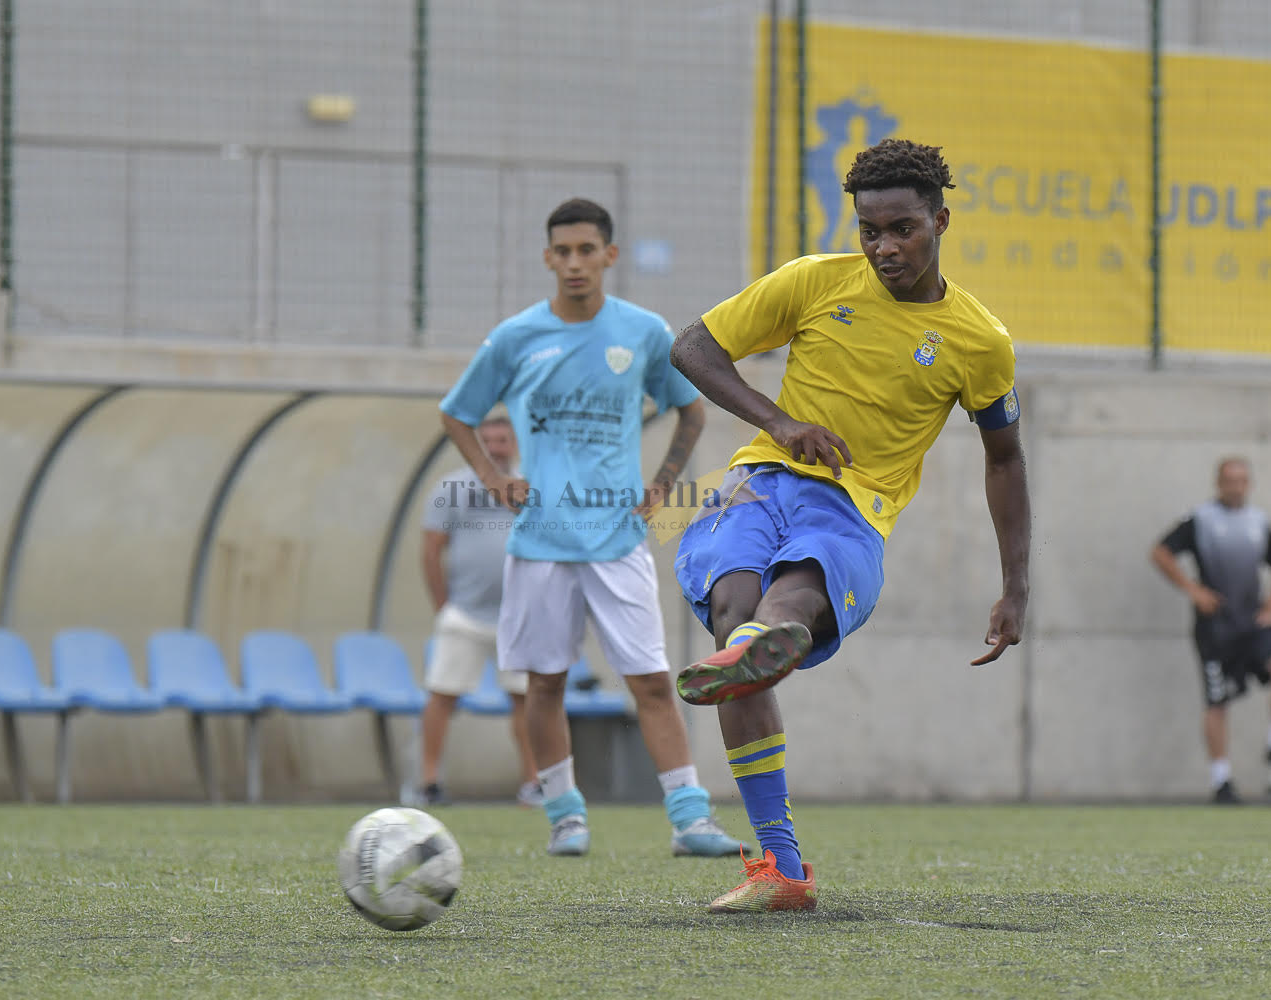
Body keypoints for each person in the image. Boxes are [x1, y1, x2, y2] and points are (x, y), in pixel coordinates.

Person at [667, 138, 1030, 912]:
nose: (884, 247)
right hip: (761, 482)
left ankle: (761, 657)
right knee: (735, 612)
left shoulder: (979, 341)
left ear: (941, 221)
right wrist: (779, 420)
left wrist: (1016, 587)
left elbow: (1005, 459)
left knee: (785, 605)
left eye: (902, 229)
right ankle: (782, 869)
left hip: (853, 508)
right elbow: (693, 346)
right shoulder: (814, 281)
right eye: (869, 231)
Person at [438, 197, 744, 859]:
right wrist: (494, 479)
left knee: (652, 680)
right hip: (540, 543)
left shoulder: (643, 332)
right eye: (563, 252)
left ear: (610, 255)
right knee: (545, 683)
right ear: (548, 258)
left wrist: (663, 483)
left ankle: (690, 819)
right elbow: (456, 413)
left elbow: (691, 412)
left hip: (616, 541)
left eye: (587, 250)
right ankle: (564, 815)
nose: (575, 263)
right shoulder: (516, 337)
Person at [1150, 456, 1271, 804]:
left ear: (1249, 484)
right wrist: (1193, 591)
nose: (1236, 487)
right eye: (1230, 480)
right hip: (1216, 628)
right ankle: (1221, 781)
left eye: (1242, 480)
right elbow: (1160, 553)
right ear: (1218, 483)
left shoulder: (1258, 521)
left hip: (1252, 622)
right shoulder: (1200, 520)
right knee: (1217, 701)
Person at [414, 414, 542, 808]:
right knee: (442, 696)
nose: (495, 448)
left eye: (502, 440)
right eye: (487, 441)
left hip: (518, 616)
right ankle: (429, 783)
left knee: (526, 700)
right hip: (465, 615)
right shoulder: (450, 488)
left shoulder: (532, 487)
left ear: (515, 444)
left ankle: (533, 784)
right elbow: (431, 549)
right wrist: (443, 605)